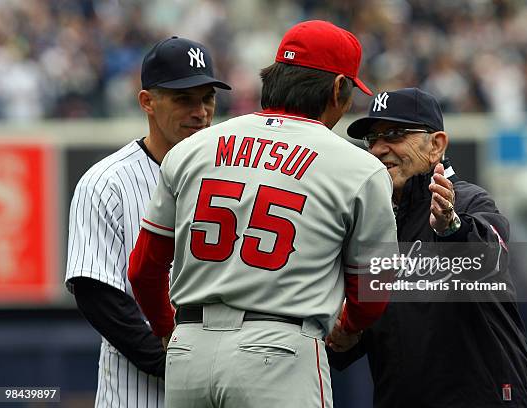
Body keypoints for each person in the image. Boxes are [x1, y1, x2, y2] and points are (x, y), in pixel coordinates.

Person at [127, 20, 398, 408]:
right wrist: (348, 328)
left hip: (189, 352)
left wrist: (170, 332)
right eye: (350, 89)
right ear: (338, 87)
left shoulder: (191, 148)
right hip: (279, 351)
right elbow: (371, 291)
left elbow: (143, 269)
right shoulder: (359, 167)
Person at [329, 88, 527, 407]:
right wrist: (344, 338)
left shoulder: (468, 201)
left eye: (395, 134)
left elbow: (490, 254)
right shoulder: (373, 226)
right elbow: (371, 325)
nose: (378, 149)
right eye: (372, 139)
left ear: (436, 145)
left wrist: (451, 227)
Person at [65, 36, 231, 408]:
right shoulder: (107, 181)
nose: (200, 112)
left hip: (222, 386)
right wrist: (173, 365)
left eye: (207, 98)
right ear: (147, 102)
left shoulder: (232, 177)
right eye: (183, 98)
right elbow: (99, 297)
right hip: (138, 394)